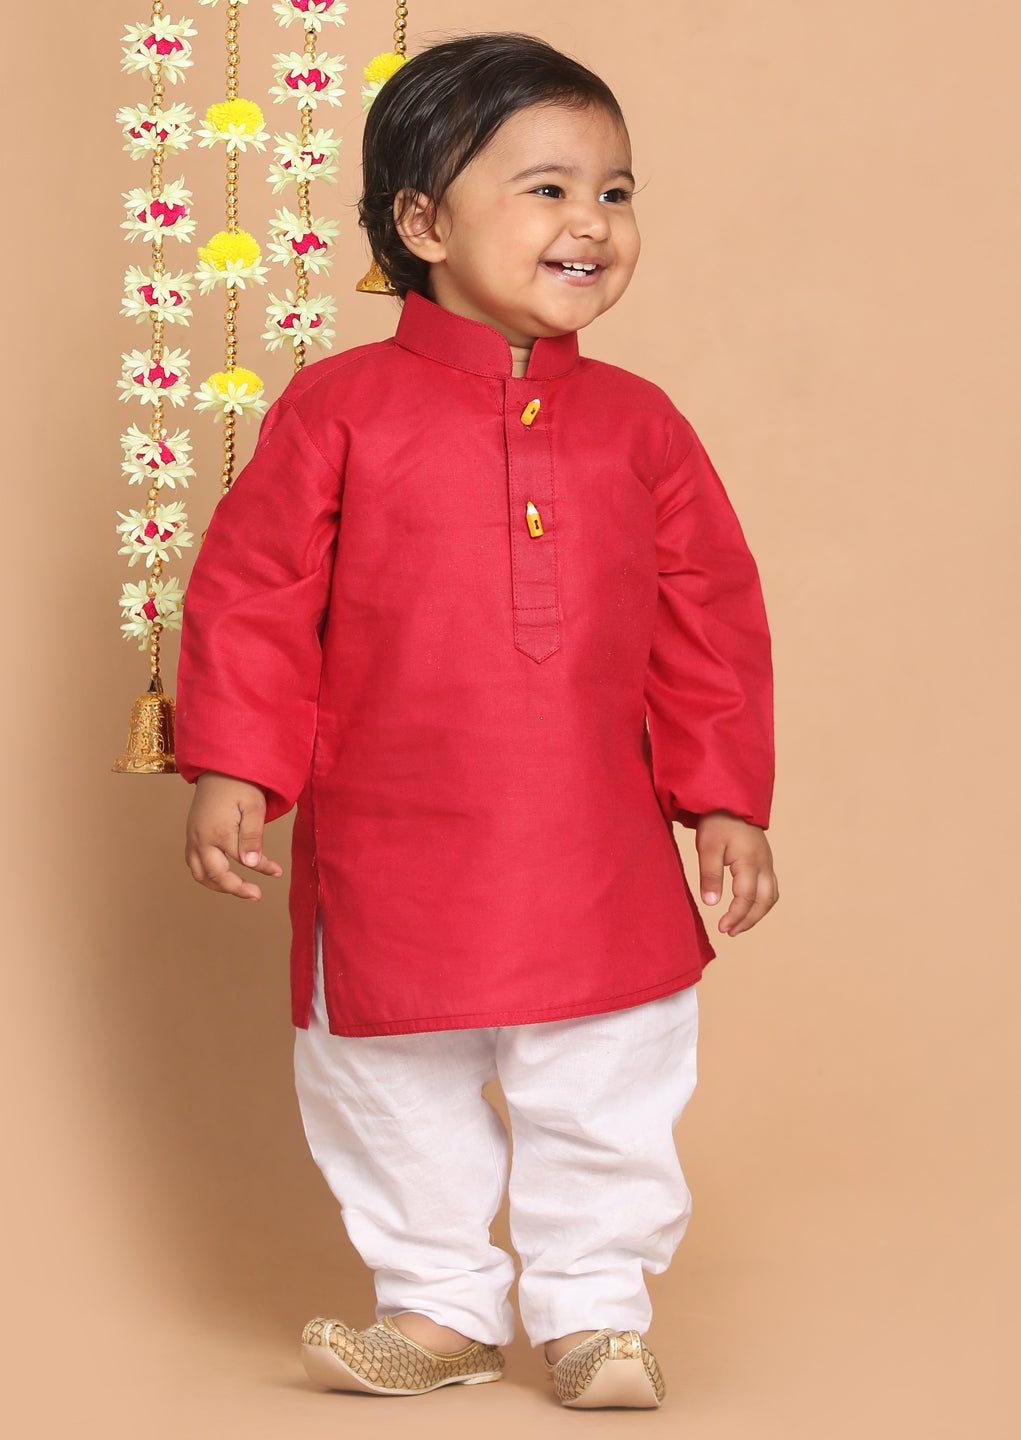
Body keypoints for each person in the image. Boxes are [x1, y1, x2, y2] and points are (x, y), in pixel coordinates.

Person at [176, 31, 778, 1411]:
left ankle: (594, 1314)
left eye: (615, 192)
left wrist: (724, 800)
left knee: (609, 1072)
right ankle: (438, 1307)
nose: (593, 222)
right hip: (391, 837)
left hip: (592, 842)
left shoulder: (642, 425)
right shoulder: (338, 409)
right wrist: (233, 768)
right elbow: (255, 595)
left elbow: (710, 622)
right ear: (423, 223)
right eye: (548, 189)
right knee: (386, 1076)